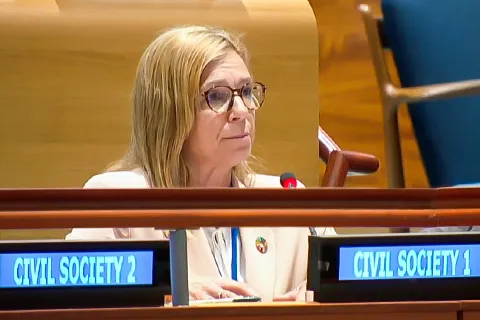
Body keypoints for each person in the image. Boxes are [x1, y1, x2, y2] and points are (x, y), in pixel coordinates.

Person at [66, 25, 336, 302]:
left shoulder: (287, 199)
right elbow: (75, 298)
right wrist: (166, 295)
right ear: (170, 112)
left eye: (246, 91)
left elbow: (345, 287)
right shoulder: (119, 201)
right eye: (217, 96)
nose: (242, 111)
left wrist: (319, 298)